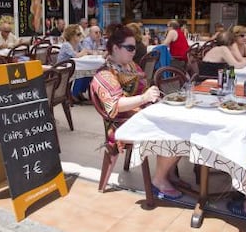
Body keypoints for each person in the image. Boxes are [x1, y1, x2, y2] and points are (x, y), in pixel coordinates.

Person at [91, 24, 184, 199]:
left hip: (140, 115)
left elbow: (144, 86)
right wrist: (144, 99)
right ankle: (159, 180)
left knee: (181, 124)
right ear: (115, 48)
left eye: (135, 47)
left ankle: (167, 172)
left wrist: (153, 97)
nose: (134, 51)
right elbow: (115, 106)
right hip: (121, 125)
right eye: (130, 48)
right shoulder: (104, 74)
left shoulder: (130, 66)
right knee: (173, 131)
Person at [57, 24, 90, 104]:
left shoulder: (77, 44)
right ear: (71, 36)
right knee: (81, 72)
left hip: (72, 66)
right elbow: (77, 55)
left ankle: (80, 92)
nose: (80, 36)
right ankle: (74, 94)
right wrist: (84, 52)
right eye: (78, 34)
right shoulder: (66, 45)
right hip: (63, 68)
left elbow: (85, 52)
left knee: (87, 72)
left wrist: (84, 51)